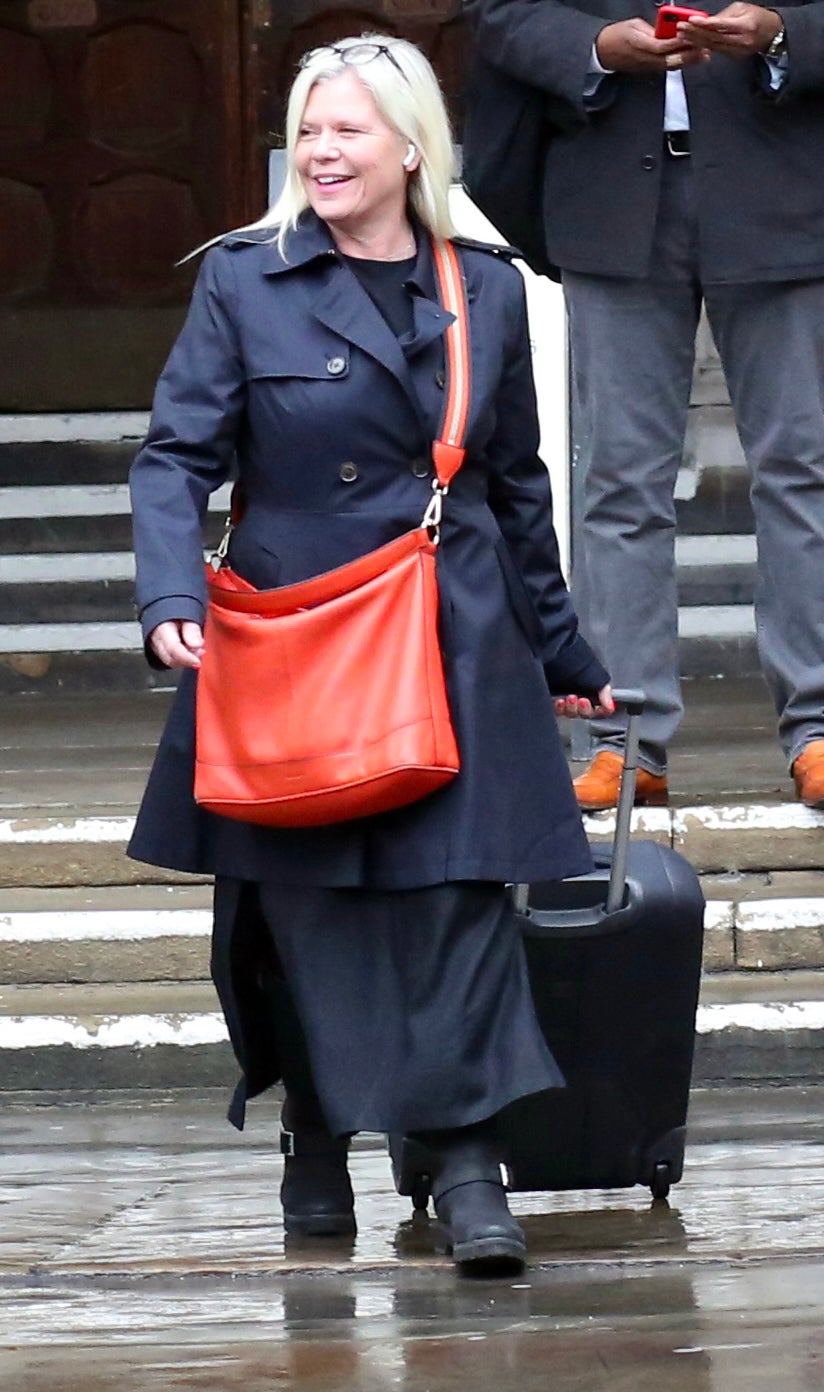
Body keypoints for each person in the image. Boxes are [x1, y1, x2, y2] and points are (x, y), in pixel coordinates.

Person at [128, 33, 611, 1273]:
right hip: (294, 639)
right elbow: (177, 455)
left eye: (347, 129)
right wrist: (170, 589)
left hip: (452, 640)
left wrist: (562, 651)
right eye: (309, 129)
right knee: (301, 915)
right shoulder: (244, 278)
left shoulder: (486, 289)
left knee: (457, 902)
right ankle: (313, 1139)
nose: (322, 150)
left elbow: (513, 490)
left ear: (410, 148)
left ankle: (461, 1169)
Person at [473, 0, 824, 811]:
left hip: (787, 192)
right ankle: (623, 742)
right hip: (612, 194)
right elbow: (499, 13)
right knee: (620, 483)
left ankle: (816, 729)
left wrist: (780, 35)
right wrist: (594, 47)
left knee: (803, 470)